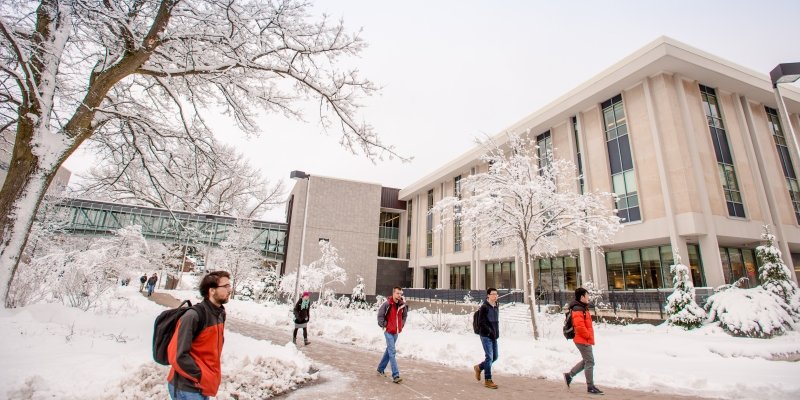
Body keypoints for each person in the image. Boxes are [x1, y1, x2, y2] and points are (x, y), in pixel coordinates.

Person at [167, 271, 230, 400]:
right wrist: (201, 375)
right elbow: (177, 355)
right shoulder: (193, 316)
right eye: (226, 286)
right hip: (187, 388)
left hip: (202, 387)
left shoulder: (219, 314)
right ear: (212, 291)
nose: (230, 290)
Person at [563, 287, 603, 395]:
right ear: (582, 297)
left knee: (586, 361)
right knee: (590, 361)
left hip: (582, 339)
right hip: (582, 339)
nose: (588, 297)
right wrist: (588, 336)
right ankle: (590, 386)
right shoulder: (578, 309)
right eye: (587, 295)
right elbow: (580, 327)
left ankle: (569, 375)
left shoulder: (581, 307)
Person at [376, 286, 408, 384]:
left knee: (389, 351)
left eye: (400, 293)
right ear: (393, 293)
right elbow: (380, 315)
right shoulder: (387, 304)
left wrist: (401, 325)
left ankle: (380, 369)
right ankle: (395, 375)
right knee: (392, 351)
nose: (399, 295)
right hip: (388, 331)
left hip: (396, 332)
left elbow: (405, 316)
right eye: (397, 293)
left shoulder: (402, 305)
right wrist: (385, 325)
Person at [473, 287, 500, 389]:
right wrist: (489, 332)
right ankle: (488, 380)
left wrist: (496, 333)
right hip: (485, 335)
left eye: (496, 294)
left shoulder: (496, 306)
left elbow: (496, 322)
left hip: (494, 336)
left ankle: (479, 368)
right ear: (488, 295)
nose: (495, 296)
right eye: (493, 294)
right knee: (489, 357)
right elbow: (481, 323)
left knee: (495, 357)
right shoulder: (484, 307)